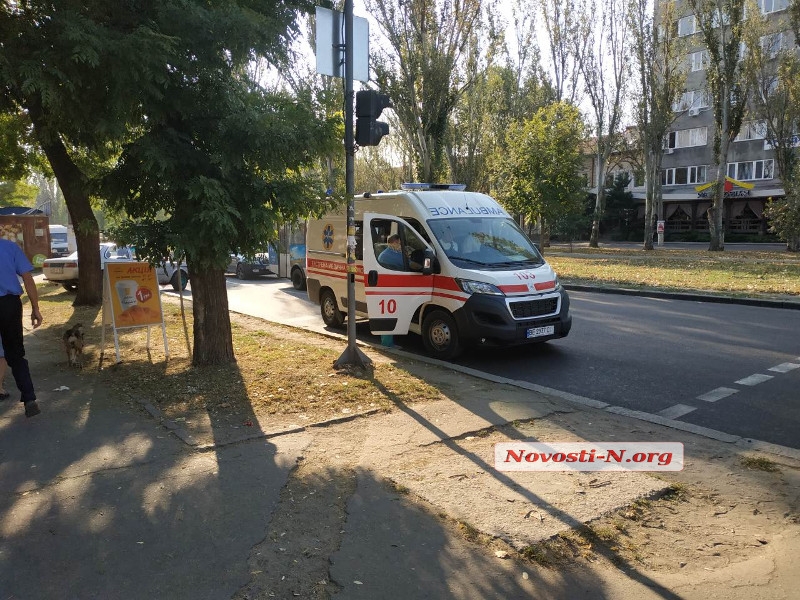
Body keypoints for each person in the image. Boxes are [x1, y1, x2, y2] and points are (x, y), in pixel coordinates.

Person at [0, 238, 43, 417]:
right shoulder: (9, 247)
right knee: (15, 353)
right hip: (8, 305)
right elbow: (27, 278)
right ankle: (29, 397)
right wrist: (35, 308)